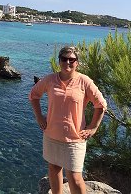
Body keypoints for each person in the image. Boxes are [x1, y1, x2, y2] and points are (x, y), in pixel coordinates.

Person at [29, 46, 107, 194]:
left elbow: (101, 105)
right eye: (64, 59)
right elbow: (34, 95)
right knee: (54, 168)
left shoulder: (84, 81)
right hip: (52, 134)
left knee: (75, 176)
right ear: (59, 61)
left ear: (77, 62)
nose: (68, 62)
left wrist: (93, 127)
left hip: (75, 138)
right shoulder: (50, 80)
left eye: (72, 59)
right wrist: (39, 116)